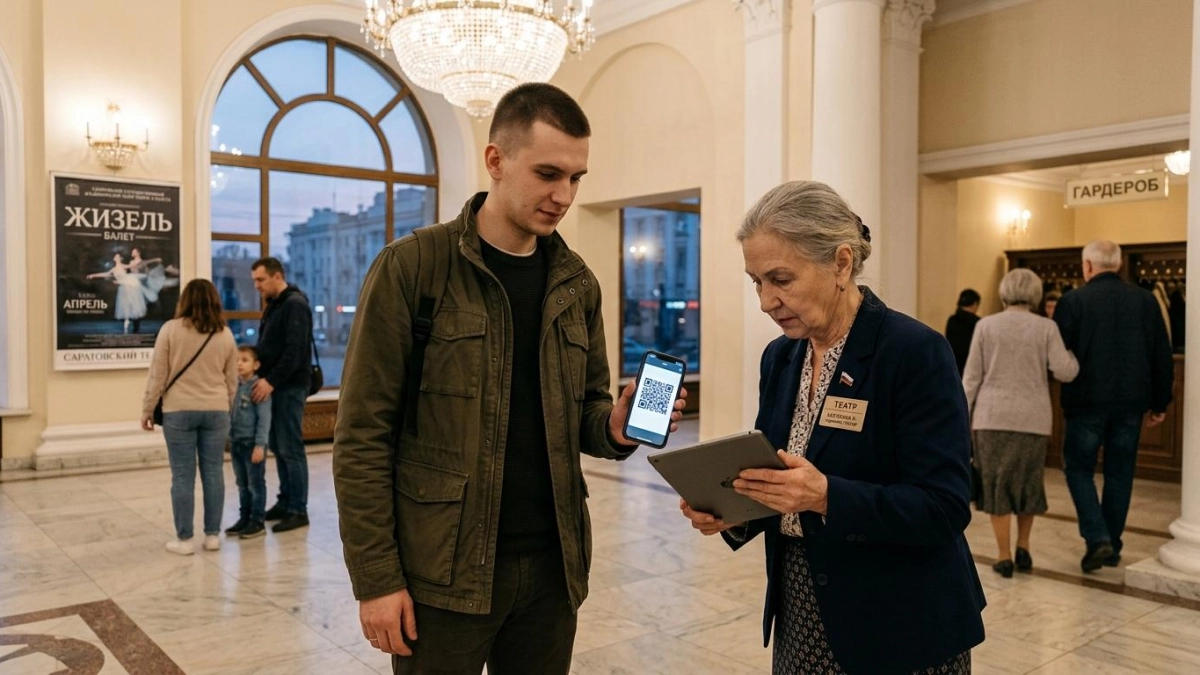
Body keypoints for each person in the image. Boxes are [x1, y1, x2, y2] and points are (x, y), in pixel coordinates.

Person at [332, 83, 686, 675]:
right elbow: (362, 437)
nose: (563, 195)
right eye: (548, 173)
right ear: (496, 160)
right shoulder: (413, 268)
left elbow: (587, 412)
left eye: (576, 178)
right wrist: (377, 580)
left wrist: (617, 426)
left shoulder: (577, 284)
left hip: (552, 571)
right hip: (442, 574)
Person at [679, 181, 985, 674]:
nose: (766, 301)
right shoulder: (780, 357)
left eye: (781, 279)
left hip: (901, 617)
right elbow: (779, 478)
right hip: (802, 606)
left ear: (841, 263)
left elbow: (944, 507)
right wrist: (734, 514)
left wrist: (827, 497)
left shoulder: (912, 351)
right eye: (756, 282)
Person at [1053, 240, 1174, 572]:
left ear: (1088, 266)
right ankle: (1112, 543)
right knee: (1120, 473)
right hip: (1131, 403)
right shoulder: (1146, 300)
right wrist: (1160, 402)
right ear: (1118, 265)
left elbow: (1059, 353)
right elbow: (1161, 354)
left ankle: (1098, 538)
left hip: (1085, 401)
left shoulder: (1073, 301)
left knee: (1078, 469)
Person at [962, 269, 1078, 578]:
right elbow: (1065, 371)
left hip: (992, 417)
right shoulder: (1046, 327)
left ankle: (1003, 556)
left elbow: (971, 378)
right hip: (1033, 418)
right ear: (1036, 294)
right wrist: (1074, 355)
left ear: (1004, 292)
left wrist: (962, 415)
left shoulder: (986, 325)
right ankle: (1023, 546)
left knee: (997, 485)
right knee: (1028, 483)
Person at [140, 279, 237, 555]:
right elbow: (232, 381)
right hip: (216, 409)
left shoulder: (170, 330)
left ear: (185, 300)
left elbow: (157, 374)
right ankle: (212, 536)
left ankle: (184, 540)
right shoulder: (225, 334)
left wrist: (148, 408)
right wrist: (227, 409)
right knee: (214, 473)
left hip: (178, 410)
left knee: (182, 476)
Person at [251, 256, 314, 534]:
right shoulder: (275, 304)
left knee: (291, 449)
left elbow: (294, 352)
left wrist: (271, 381)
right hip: (276, 386)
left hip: (289, 387)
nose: (257, 285)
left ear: (277, 276)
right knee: (278, 446)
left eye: (261, 279)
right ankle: (285, 500)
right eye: (255, 280)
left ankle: (298, 510)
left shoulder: (295, 305)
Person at [225, 345, 272, 540]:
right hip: (237, 443)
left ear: (256, 365)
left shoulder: (257, 388)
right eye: (237, 360)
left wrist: (260, 445)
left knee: (255, 484)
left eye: (245, 360)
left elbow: (264, 419)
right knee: (242, 484)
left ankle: (257, 520)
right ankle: (244, 517)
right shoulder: (234, 386)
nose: (239, 364)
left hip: (252, 445)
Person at [86, 252, 146, 334]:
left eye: (117, 256)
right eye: (115, 256)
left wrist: (138, 259)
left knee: (133, 305)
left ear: (120, 259)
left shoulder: (123, 266)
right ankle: (128, 321)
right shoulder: (114, 269)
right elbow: (105, 274)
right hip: (123, 288)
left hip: (129, 286)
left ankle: (135, 325)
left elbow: (134, 265)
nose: (116, 257)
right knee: (125, 306)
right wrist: (93, 275)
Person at [945, 288, 981, 374]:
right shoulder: (978, 323)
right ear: (975, 304)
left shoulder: (952, 320)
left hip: (953, 365)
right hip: (971, 367)